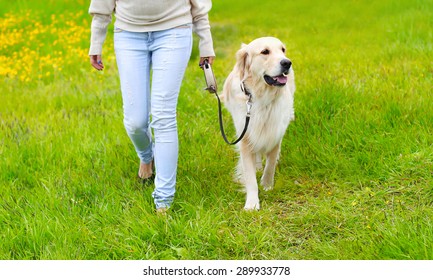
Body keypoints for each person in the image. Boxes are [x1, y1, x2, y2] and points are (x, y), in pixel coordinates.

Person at [88, 0, 215, 213]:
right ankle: (147, 157)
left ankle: (163, 201)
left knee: (163, 116)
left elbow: (200, 6)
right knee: (135, 122)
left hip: (174, 30)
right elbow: (101, 6)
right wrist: (96, 42)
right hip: (128, 35)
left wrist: (206, 42)